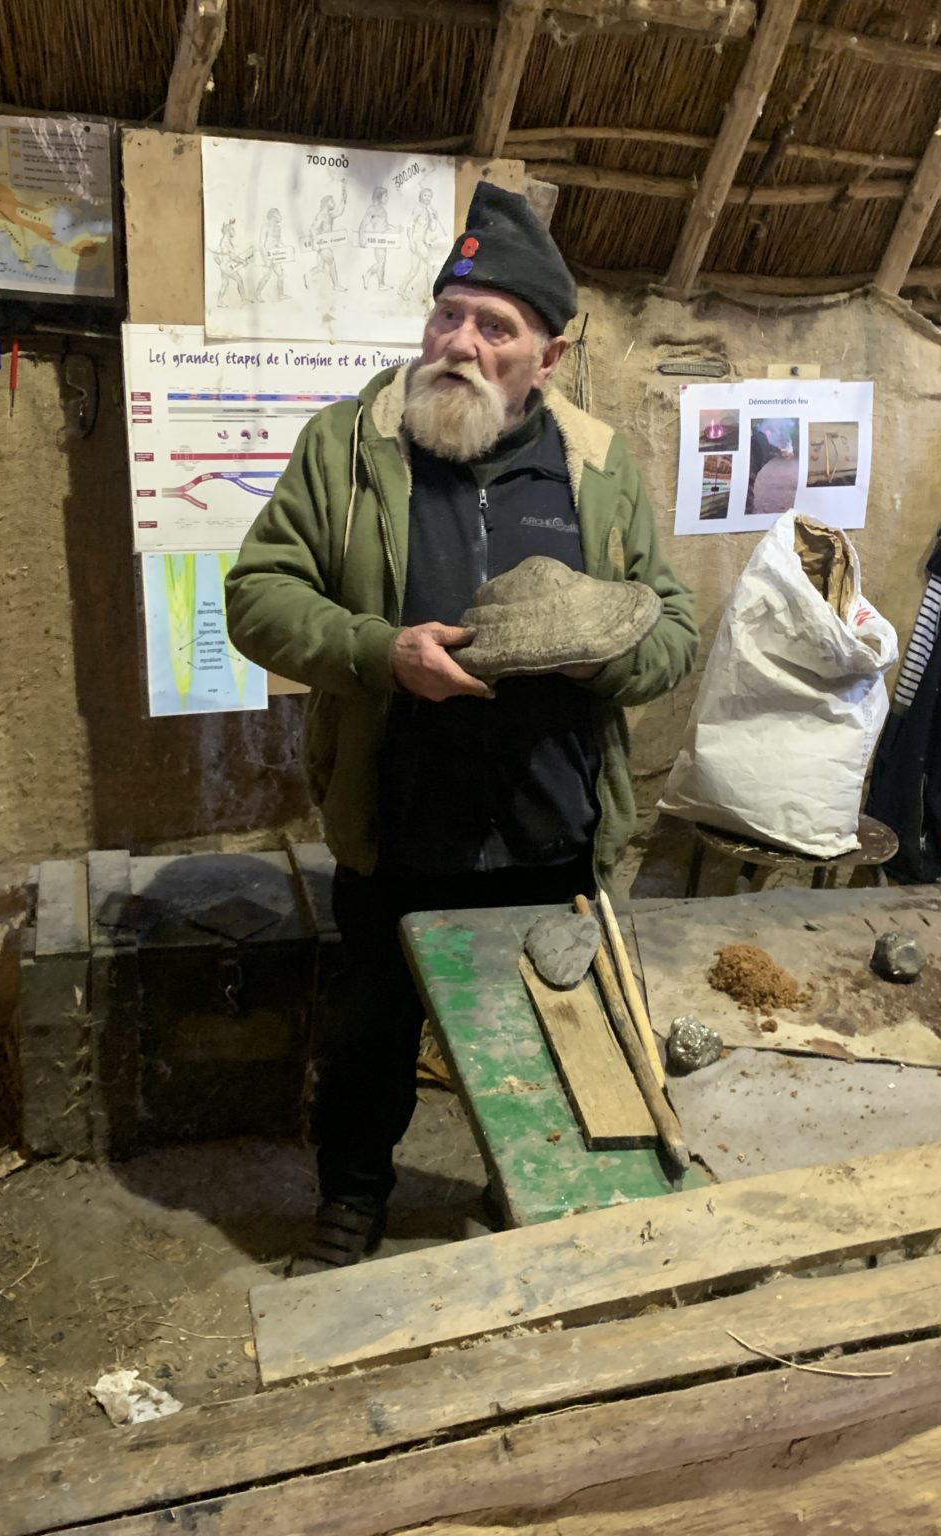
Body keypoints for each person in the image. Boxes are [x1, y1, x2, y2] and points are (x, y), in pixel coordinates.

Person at [225, 182, 698, 1270]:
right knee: (369, 1040)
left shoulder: (596, 466)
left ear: (549, 357)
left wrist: (604, 656)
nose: (461, 344)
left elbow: (671, 624)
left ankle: (530, 1194)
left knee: (555, 1034)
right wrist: (380, 653)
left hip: (552, 831)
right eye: (450, 314)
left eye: (496, 327)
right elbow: (258, 596)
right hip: (399, 826)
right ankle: (352, 1204)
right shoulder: (350, 447)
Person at [359, 186, 393, 291]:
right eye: (386, 196)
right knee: (381, 262)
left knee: (382, 261)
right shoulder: (372, 209)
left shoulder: (382, 209)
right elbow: (363, 224)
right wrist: (361, 237)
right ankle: (371, 277)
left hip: (383, 238)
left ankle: (380, 283)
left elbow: (384, 225)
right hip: (377, 238)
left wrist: (394, 229)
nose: (387, 198)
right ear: (379, 196)